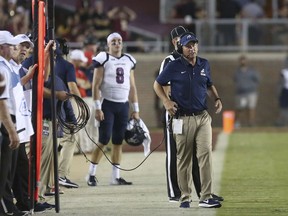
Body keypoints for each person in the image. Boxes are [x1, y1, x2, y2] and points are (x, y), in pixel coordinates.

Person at [154, 31, 222, 208]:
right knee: (183, 159)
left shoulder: (204, 64)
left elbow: (209, 83)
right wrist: (166, 101)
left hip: (202, 117)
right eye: (188, 46)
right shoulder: (173, 65)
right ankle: (185, 196)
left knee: (205, 155)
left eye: (194, 45)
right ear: (181, 48)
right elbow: (157, 84)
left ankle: (206, 196)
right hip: (182, 118)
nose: (192, 48)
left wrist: (217, 98)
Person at [86, 32, 140, 186]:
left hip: (123, 105)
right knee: (103, 140)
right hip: (107, 104)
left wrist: (135, 108)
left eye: (119, 41)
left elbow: (132, 86)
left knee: (118, 141)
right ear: (108, 44)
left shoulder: (128, 60)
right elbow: (95, 85)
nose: (117, 44)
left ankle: (115, 177)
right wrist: (97, 107)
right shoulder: (103, 58)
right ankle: (91, 174)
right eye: (114, 41)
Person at [0, 30, 20, 215]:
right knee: (4, 168)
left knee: (9, 168)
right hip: (5, 120)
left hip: (10, 118)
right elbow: (2, 102)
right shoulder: (1, 68)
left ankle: (8, 205)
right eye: (10, 45)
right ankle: (4, 207)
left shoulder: (7, 66)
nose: (14, 48)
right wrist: (11, 129)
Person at [233, 55, 260, 128]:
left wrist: (252, 86)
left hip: (251, 92)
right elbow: (235, 80)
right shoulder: (237, 71)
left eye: (244, 60)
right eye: (241, 60)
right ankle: (237, 122)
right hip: (241, 93)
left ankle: (251, 123)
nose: (243, 62)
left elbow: (257, 79)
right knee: (240, 108)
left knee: (251, 107)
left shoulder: (252, 71)